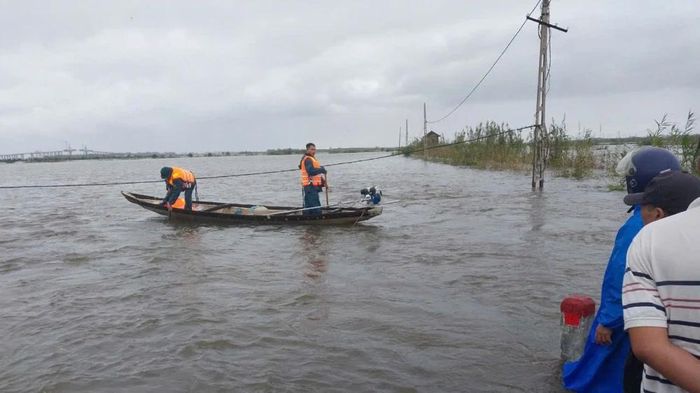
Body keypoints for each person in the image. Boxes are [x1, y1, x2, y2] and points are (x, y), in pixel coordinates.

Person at [562, 147, 680, 393]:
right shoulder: (678, 218)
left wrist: (607, 320)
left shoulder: (640, 223)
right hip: (661, 320)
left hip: (626, 320)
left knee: (598, 372)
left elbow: (620, 278)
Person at [622, 171, 700, 393]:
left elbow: (649, 347)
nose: (638, 216)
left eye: (642, 210)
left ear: (657, 214)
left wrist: (607, 321)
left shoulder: (649, 239)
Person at [298, 143, 326, 216]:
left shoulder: (309, 158)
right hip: (310, 186)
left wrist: (321, 169)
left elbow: (312, 169)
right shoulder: (308, 159)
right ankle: (317, 217)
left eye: (314, 149)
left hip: (310, 186)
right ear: (307, 150)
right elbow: (311, 171)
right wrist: (321, 170)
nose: (314, 151)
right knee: (315, 204)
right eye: (312, 149)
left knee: (309, 205)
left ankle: (307, 219)